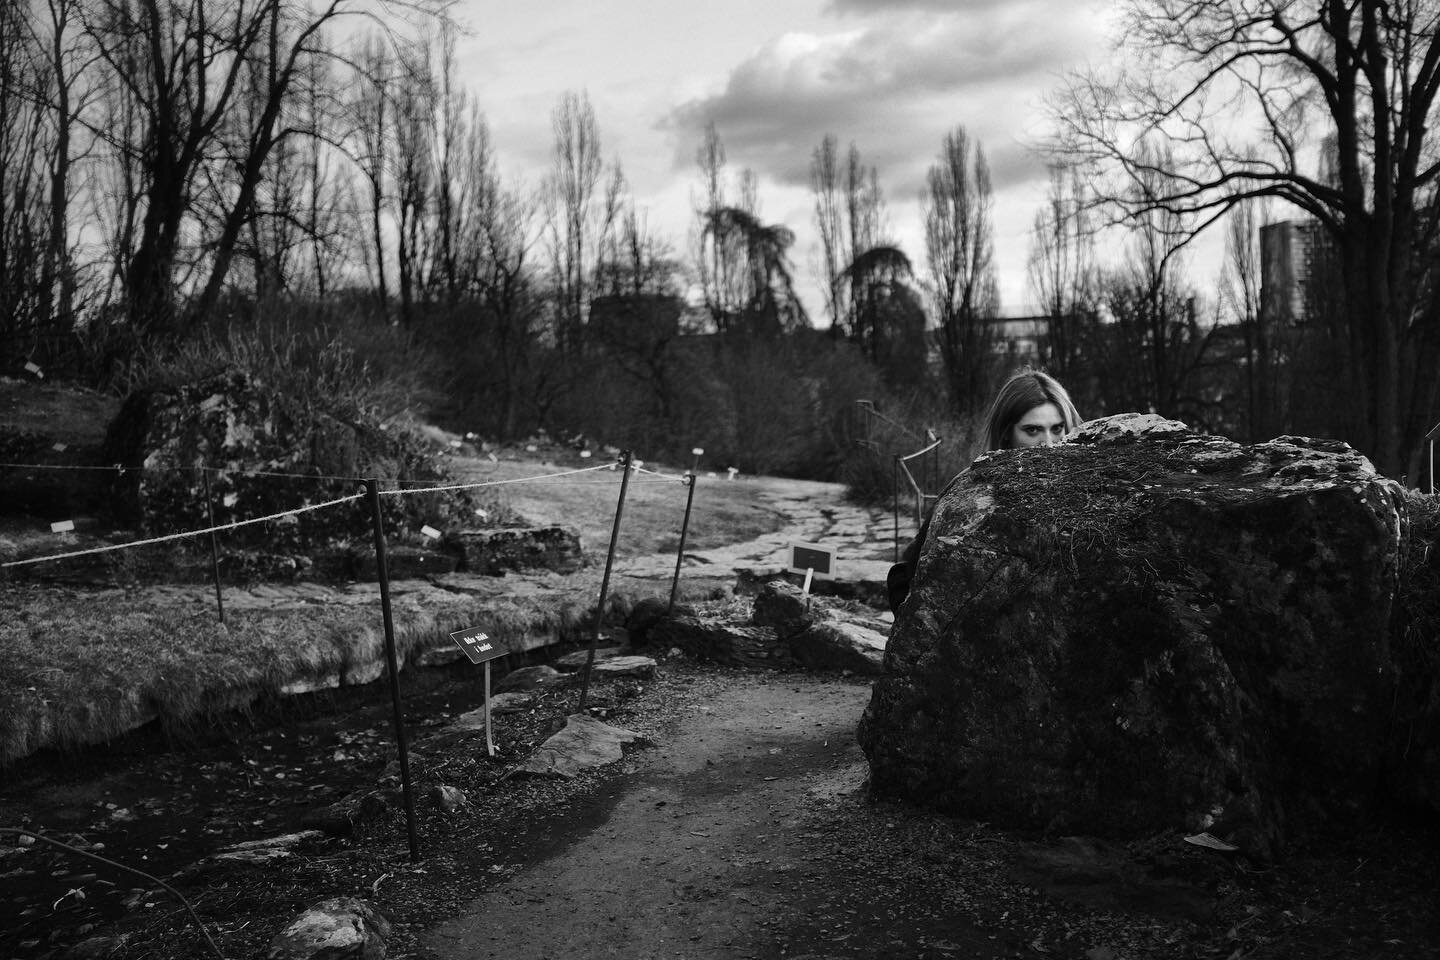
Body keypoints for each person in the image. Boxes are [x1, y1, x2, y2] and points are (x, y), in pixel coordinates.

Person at [885, 370, 1082, 613]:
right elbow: (906, 577)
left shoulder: (1089, 487)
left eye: (1057, 428)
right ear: (1007, 434)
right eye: (1033, 430)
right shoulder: (969, 492)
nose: (1049, 444)